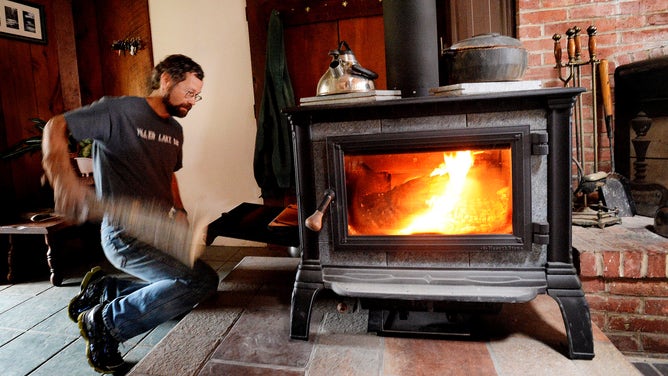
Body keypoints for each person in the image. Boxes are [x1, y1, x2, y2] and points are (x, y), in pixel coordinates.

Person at [41, 54, 219, 373]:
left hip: (160, 232)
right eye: (190, 92)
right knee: (196, 283)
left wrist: (178, 211)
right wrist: (60, 175)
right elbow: (57, 125)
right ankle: (106, 323)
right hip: (125, 235)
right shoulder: (120, 110)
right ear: (166, 79)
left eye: (197, 95)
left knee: (205, 282)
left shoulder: (175, 131)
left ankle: (107, 289)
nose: (194, 101)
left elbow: (169, 174)